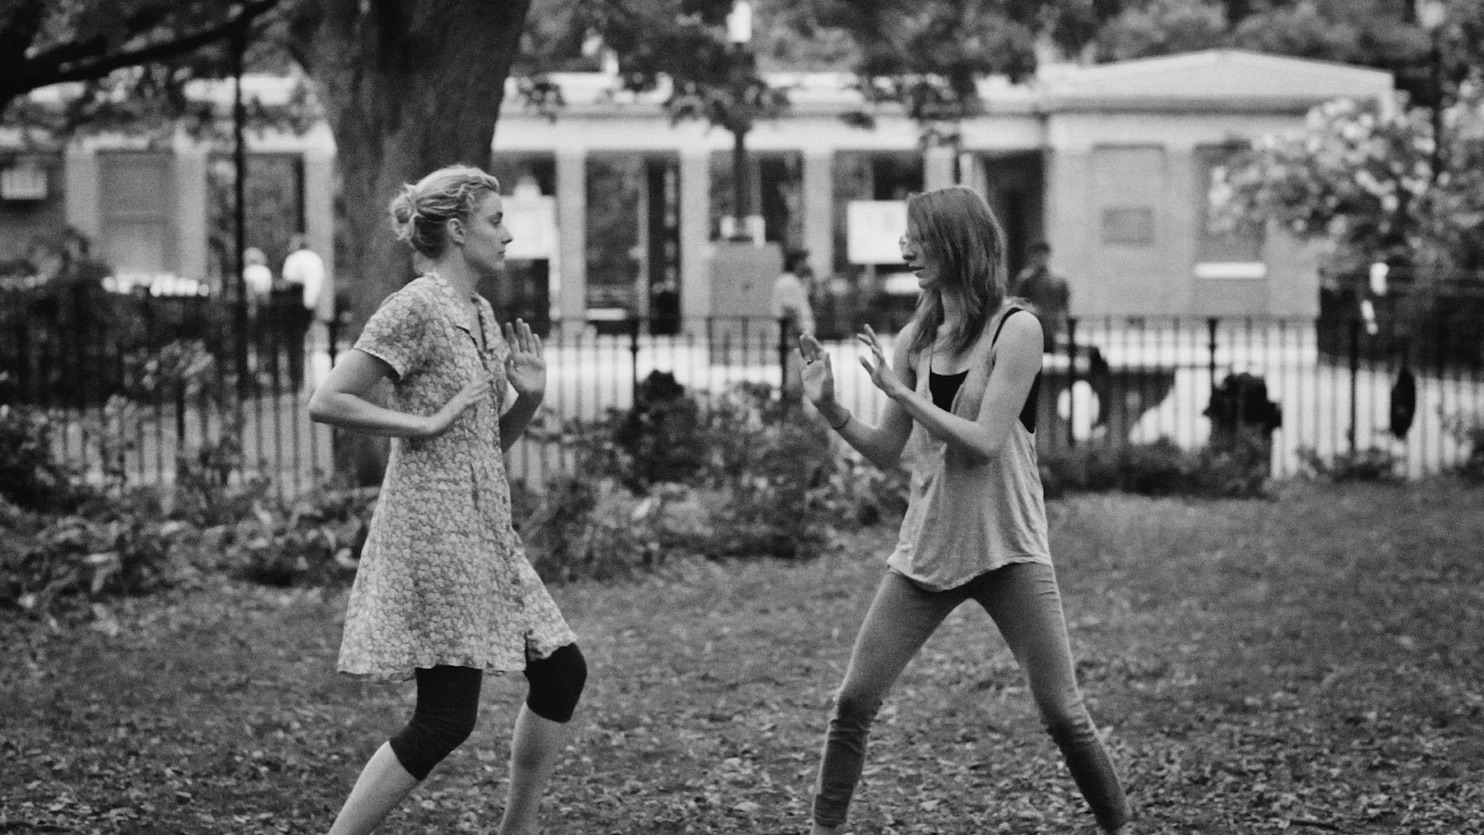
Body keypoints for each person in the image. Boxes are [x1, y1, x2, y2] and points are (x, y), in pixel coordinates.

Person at [797, 186, 1132, 834]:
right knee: (854, 701)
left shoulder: (1018, 329)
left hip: (1009, 547)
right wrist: (832, 407)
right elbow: (890, 450)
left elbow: (983, 442)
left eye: (917, 236)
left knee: (1062, 710)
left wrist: (902, 392)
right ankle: (824, 829)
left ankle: (1121, 826)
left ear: (957, 243)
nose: (905, 249)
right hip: (928, 549)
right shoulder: (917, 339)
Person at [308, 164, 587, 835]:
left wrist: (531, 399)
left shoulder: (480, 313)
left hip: (487, 532)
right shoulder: (416, 305)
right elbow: (328, 399)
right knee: (445, 718)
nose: (509, 234)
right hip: (436, 533)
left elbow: (482, 441)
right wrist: (421, 424)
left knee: (560, 674)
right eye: (496, 220)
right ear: (459, 230)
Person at [279, 234, 325, 387]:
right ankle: (299, 376)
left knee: (293, 341)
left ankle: (295, 377)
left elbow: (288, 278)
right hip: (308, 304)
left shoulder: (294, 259)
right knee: (300, 339)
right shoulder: (315, 259)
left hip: (294, 302)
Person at [1010, 240, 1070, 353]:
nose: (1040, 258)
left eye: (1043, 254)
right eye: (1037, 254)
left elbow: (1064, 304)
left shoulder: (1059, 280)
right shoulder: (1025, 279)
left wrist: (1064, 324)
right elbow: (1016, 302)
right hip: (1032, 326)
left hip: (1053, 327)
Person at [772, 248, 816, 401]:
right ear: (795, 263)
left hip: (795, 341)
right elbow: (789, 311)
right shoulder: (788, 282)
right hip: (793, 341)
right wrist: (801, 337)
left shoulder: (793, 282)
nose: (806, 265)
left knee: (798, 381)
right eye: (803, 261)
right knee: (793, 382)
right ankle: (792, 415)